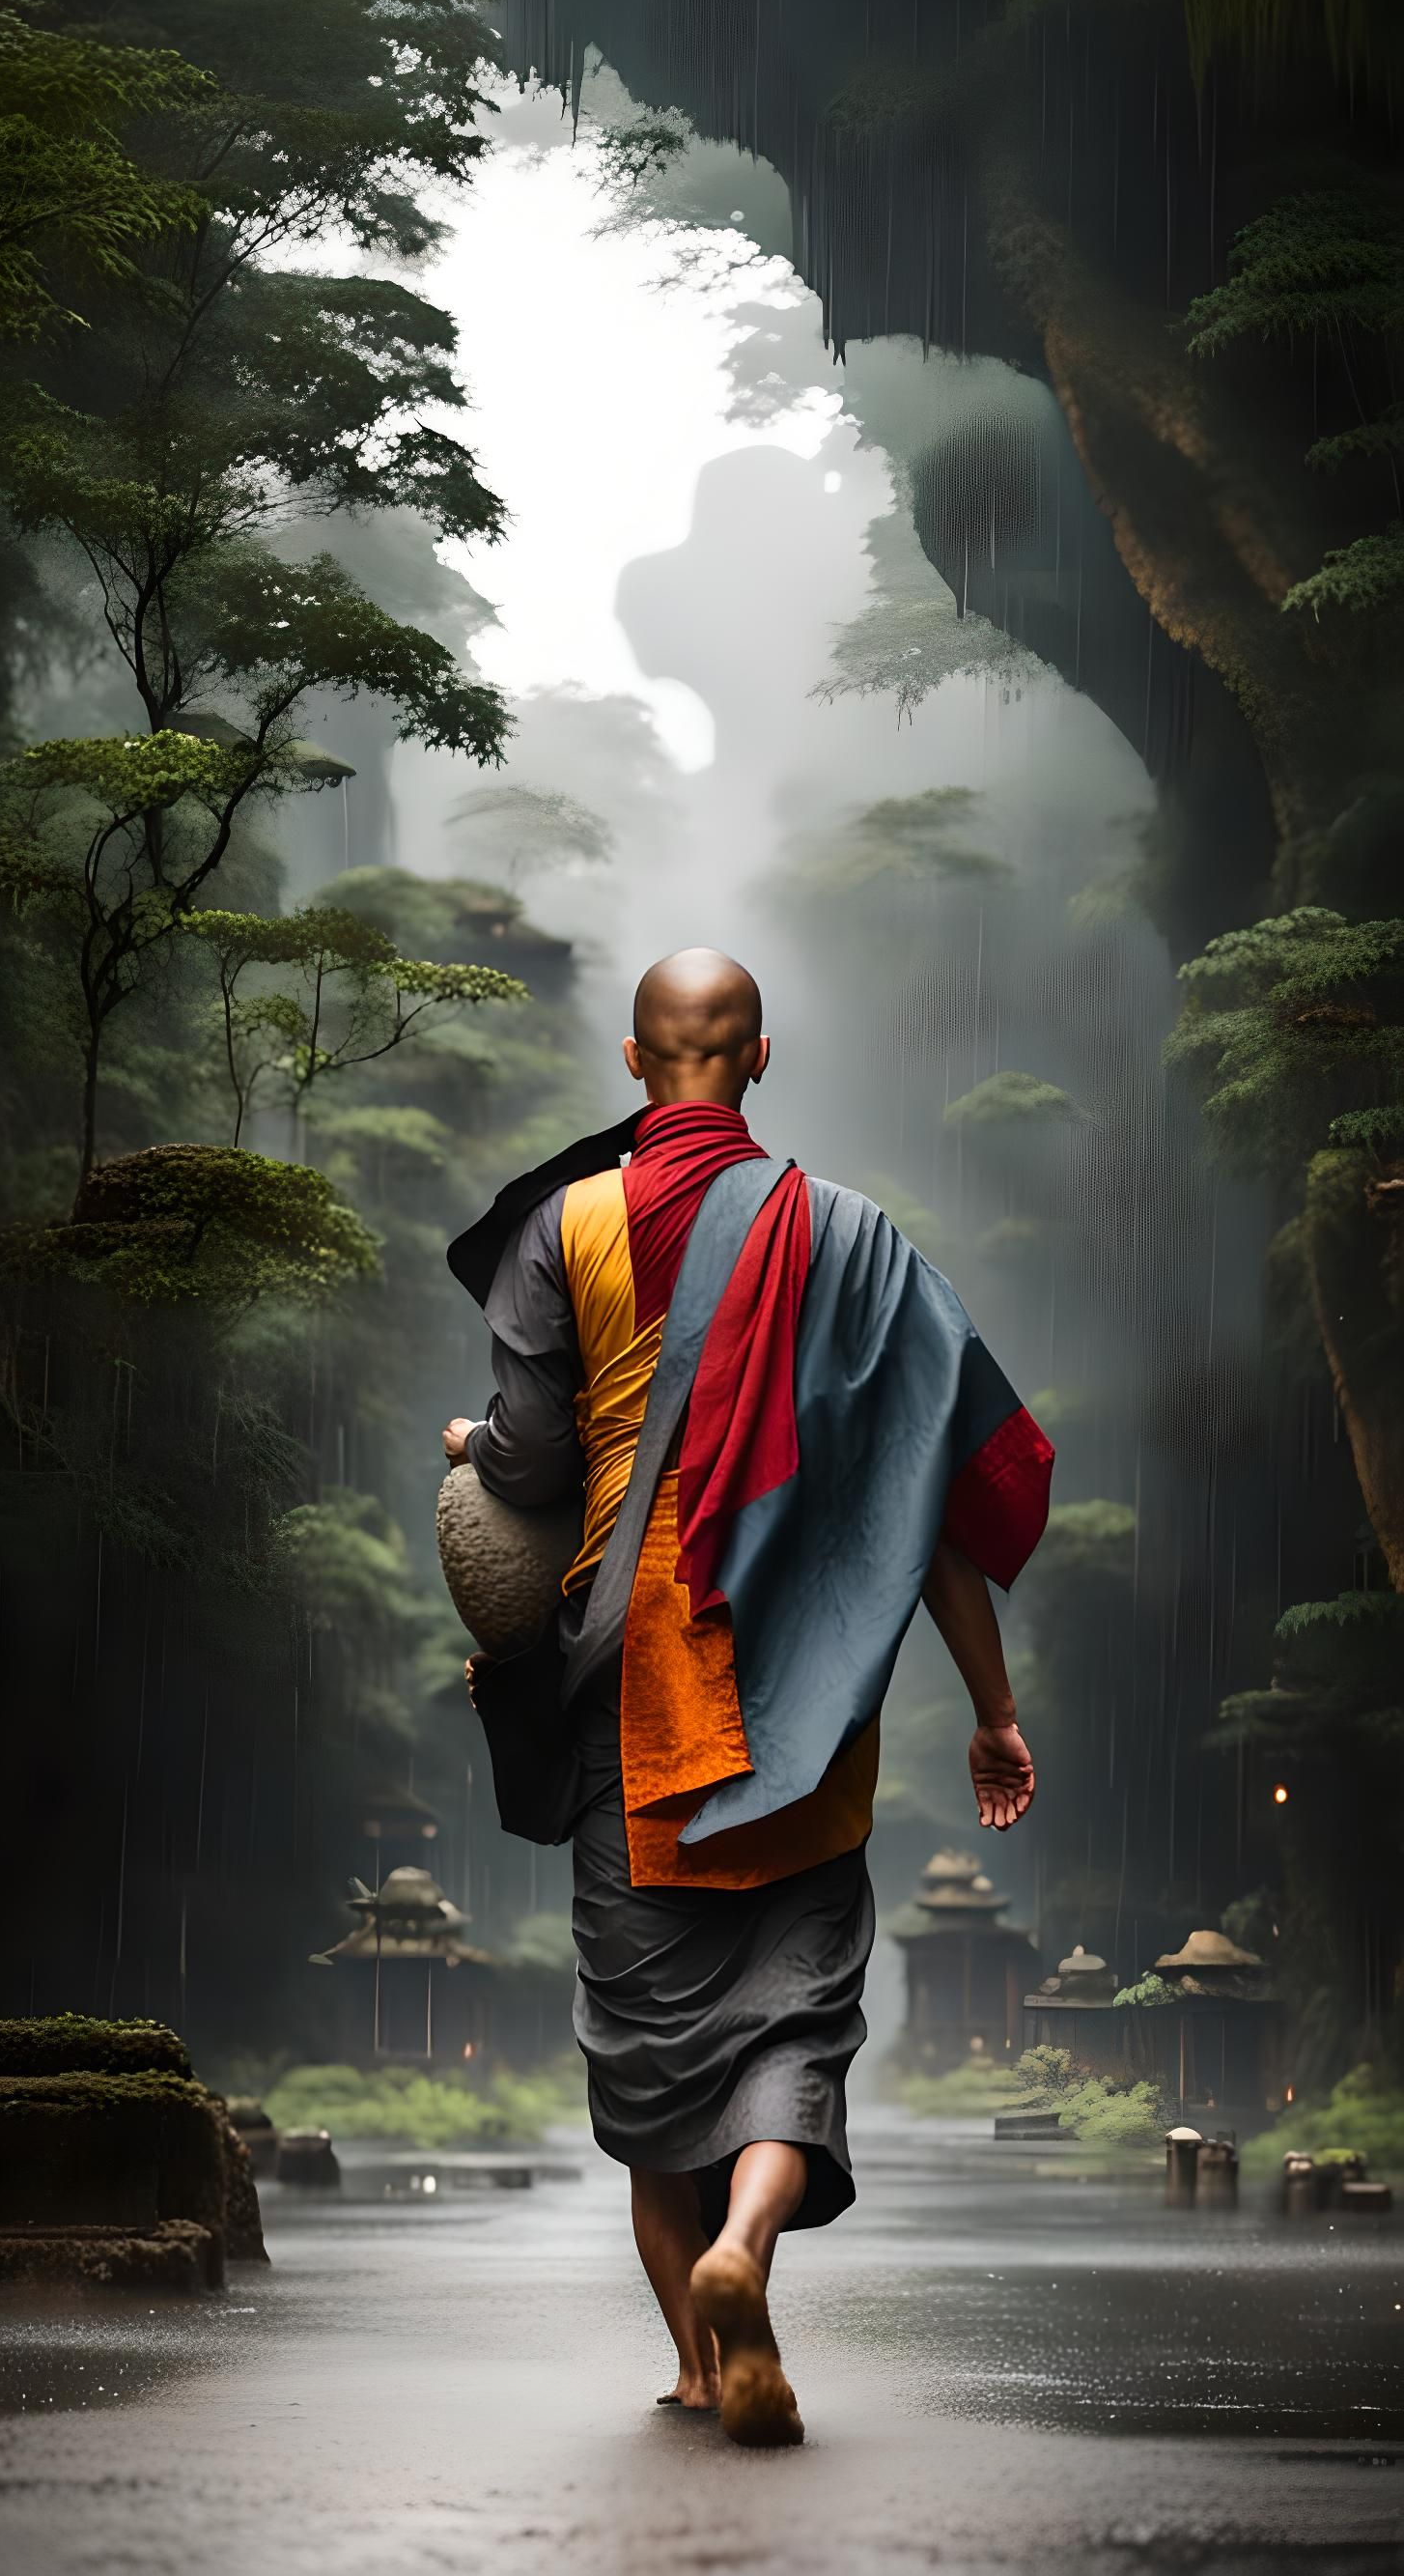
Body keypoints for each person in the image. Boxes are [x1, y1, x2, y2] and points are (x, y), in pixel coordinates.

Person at [442, 948, 1051, 2449]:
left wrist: (473, 1445)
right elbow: (928, 1507)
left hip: (630, 1692)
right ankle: (749, 2251)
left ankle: (699, 2369)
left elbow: (524, 1464)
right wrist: (994, 1710)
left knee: (651, 2057)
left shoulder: (565, 1225)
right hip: (806, 1690)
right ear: (759, 1060)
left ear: (637, 1064)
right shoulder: (853, 1242)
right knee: (797, 2017)